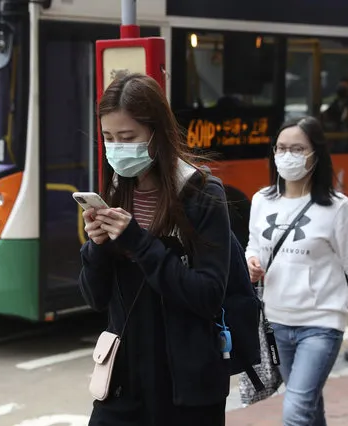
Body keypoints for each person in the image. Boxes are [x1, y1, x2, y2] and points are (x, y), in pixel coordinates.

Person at [78, 72, 231, 426]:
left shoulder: (202, 194)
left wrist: (139, 243)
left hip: (185, 389)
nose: (116, 147)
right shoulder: (115, 191)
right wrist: (97, 248)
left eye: (127, 137)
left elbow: (208, 294)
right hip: (123, 383)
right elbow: (95, 299)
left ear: (156, 134)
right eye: (108, 138)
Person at [245, 116, 348, 425]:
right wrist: (251, 263)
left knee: (296, 410)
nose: (287, 155)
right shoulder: (262, 200)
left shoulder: (336, 207)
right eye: (281, 148)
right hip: (276, 323)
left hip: (321, 323)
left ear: (316, 154)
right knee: (310, 407)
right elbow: (255, 247)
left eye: (297, 148)